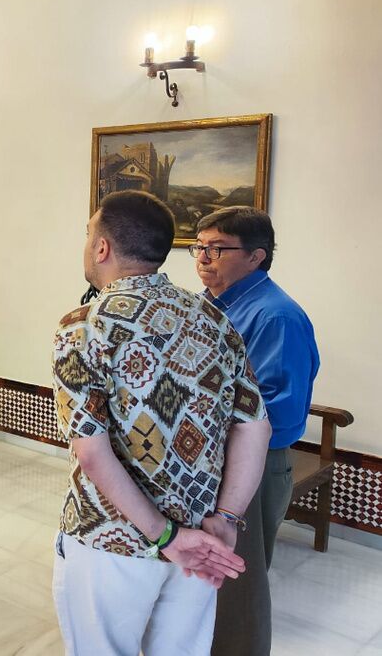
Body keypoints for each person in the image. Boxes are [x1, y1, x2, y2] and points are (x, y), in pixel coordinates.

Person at [51, 190, 271, 655]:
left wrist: (164, 535)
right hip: (201, 536)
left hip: (112, 539)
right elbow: (255, 426)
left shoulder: (85, 325)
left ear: (103, 247)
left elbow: (91, 451)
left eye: (89, 234)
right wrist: (226, 521)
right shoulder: (214, 318)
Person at [191, 206, 320, 656]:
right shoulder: (207, 304)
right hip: (206, 458)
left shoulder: (275, 317)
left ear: (256, 256)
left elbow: (276, 414)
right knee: (202, 569)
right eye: (199, 247)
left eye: (218, 249)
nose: (204, 258)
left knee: (236, 576)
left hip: (255, 465)